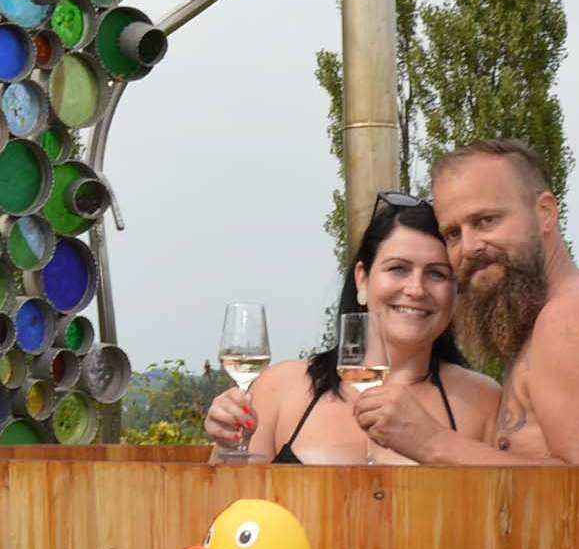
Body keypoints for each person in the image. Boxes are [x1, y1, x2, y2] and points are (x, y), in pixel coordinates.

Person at [352, 139, 579, 466]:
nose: (469, 247)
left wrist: (432, 442)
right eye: (453, 233)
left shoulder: (573, 320)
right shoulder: (545, 322)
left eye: (486, 221)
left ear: (545, 213)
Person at [204, 195, 498, 464]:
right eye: (398, 268)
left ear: (455, 291)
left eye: (437, 274)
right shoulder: (281, 388)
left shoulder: (483, 402)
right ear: (362, 280)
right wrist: (226, 443)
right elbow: (227, 509)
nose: (416, 289)